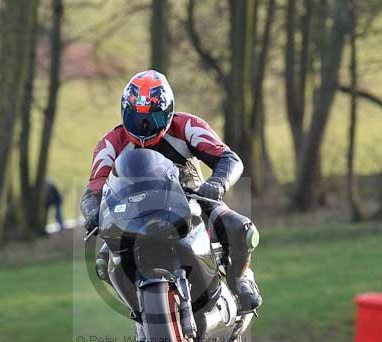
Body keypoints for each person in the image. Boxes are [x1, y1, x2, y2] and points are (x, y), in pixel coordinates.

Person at [80, 69, 262, 313]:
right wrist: (93, 212)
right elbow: (92, 190)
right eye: (136, 118)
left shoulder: (187, 126)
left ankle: (240, 278)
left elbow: (229, 158)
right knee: (104, 262)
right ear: (125, 112)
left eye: (153, 118)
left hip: (193, 199)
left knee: (240, 228)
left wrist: (217, 183)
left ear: (167, 112)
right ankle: (140, 311)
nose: (144, 127)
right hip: (134, 213)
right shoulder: (111, 144)